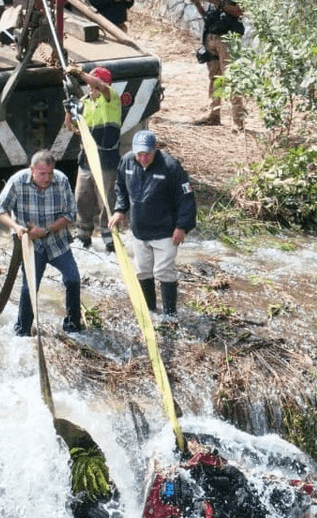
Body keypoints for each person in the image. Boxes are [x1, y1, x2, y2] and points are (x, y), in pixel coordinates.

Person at [0, 150, 82, 336]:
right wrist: (16, 227)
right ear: (32, 170)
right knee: (29, 289)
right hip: (31, 246)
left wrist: (46, 230)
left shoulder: (61, 181)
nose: (47, 178)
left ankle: (73, 327)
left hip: (57, 241)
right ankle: (22, 331)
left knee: (73, 280)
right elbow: (0, 210)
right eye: (42, 174)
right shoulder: (18, 181)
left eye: (50, 173)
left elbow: (70, 214)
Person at [109, 130, 197, 315]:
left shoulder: (171, 166)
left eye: (147, 154)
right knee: (142, 271)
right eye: (139, 154)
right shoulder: (126, 162)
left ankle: (170, 314)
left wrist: (182, 227)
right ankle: (149, 312)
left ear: (155, 150)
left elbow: (186, 198)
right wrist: (120, 209)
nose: (143, 158)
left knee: (164, 271)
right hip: (139, 231)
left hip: (166, 231)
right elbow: (120, 188)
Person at [65, 64, 121, 252]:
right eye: (89, 83)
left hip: (107, 159)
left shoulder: (111, 97)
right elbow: (71, 128)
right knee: (82, 197)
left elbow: (99, 84)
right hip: (87, 160)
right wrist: (69, 112)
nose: (91, 86)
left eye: (95, 82)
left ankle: (109, 235)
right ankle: (83, 234)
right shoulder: (83, 102)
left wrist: (79, 73)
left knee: (107, 199)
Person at [192, 0, 245, 131]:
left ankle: (238, 122)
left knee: (231, 79)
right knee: (214, 78)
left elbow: (239, 11)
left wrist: (219, 2)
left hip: (226, 40)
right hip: (211, 38)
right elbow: (208, 15)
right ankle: (213, 115)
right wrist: (198, 5)